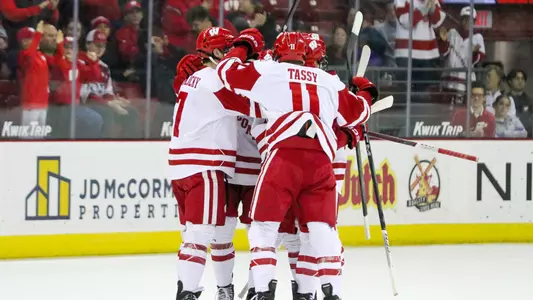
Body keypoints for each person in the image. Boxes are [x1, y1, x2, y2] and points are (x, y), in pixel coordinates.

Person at [215, 30, 375, 300]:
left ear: (277, 54)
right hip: (320, 164)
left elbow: (226, 73)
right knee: (322, 229)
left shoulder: (268, 70)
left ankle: (263, 291)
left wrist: (242, 46)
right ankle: (332, 292)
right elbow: (359, 112)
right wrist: (367, 91)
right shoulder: (328, 80)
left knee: (264, 228)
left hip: (283, 159)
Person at [169, 27, 262, 300]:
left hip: (181, 167)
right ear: (220, 52)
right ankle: (187, 292)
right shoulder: (216, 80)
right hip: (205, 166)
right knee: (200, 237)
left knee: (193, 236)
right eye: (231, 49)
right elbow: (255, 108)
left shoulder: (194, 78)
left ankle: (190, 290)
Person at [438, 6, 485, 105]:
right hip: (449, 78)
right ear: (461, 20)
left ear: (474, 22)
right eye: (465, 19)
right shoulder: (452, 33)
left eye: (470, 20)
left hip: (466, 81)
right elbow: (444, 53)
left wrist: (475, 53)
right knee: (446, 108)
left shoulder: (478, 37)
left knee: (463, 110)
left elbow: (478, 59)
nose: (467, 22)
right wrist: (443, 42)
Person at [17, 22, 49, 128]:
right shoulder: (24, 55)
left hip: (43, 102)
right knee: (28, 136)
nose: (37, 39)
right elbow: (30, 56)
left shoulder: (41, 56)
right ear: (24, 41)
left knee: (40, 135)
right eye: (33, 38)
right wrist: (38, 34)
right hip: (31, 102)